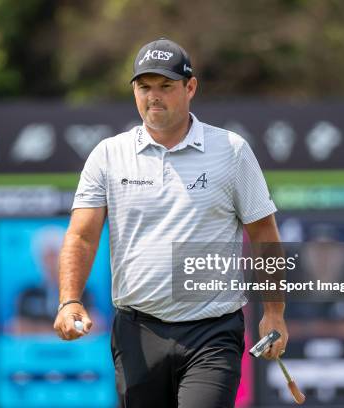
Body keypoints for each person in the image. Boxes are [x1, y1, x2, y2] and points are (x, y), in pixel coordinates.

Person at [53, 37, 288, 407]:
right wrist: (69, 301)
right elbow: (82, 237)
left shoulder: (231, 151)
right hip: (137, 331)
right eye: (144, 87)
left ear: (190, 87)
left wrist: (274, 312)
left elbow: (263, 234)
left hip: (213, 331)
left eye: (166, 86)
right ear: (134, 90)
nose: (154, 97)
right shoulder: (108, 155)